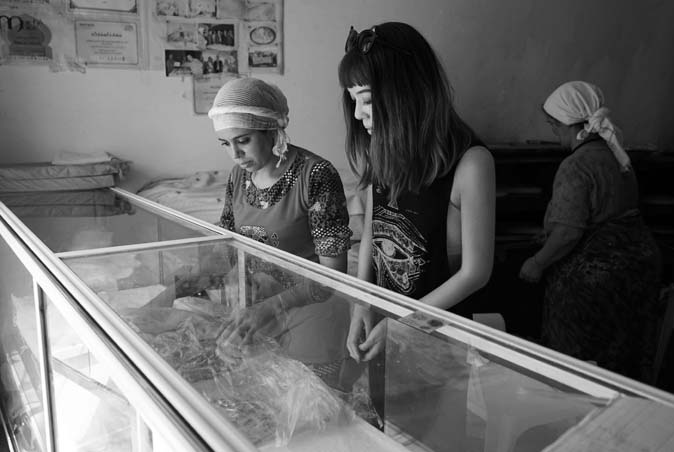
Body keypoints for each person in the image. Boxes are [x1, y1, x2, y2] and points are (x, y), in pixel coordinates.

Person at [339, 22, 495, 364]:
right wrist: (361, 303)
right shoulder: (381, 150)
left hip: (439, 337)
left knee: (432, 415)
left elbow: (475, 273)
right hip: (386, 322)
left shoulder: (471, 163)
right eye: (353, 101)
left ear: (406, 91)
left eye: (365, 100)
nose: (357, 114)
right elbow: (371, 233)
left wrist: (407, 323)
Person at [208, 77, 353, 388]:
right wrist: (179, 288)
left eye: (243, 140)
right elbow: (226, 248)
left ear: (272, 129)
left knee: (314, 420)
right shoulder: (239, 176)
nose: (234, 154)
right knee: (265, 416)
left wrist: (267, 308)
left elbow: (333, 276)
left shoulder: (315, 175)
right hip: (260, 317)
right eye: (225, 144)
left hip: (312, 319)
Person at [519, 80, 662, 382]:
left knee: (581, 364)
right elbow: (608, 212)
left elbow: (569, 233)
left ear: (568, 124)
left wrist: (537, 262)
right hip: (639, 269)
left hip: (597, 280)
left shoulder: (576, 164)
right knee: (623, 359)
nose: (553, 132)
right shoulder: (618, 155)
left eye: (554, 125)